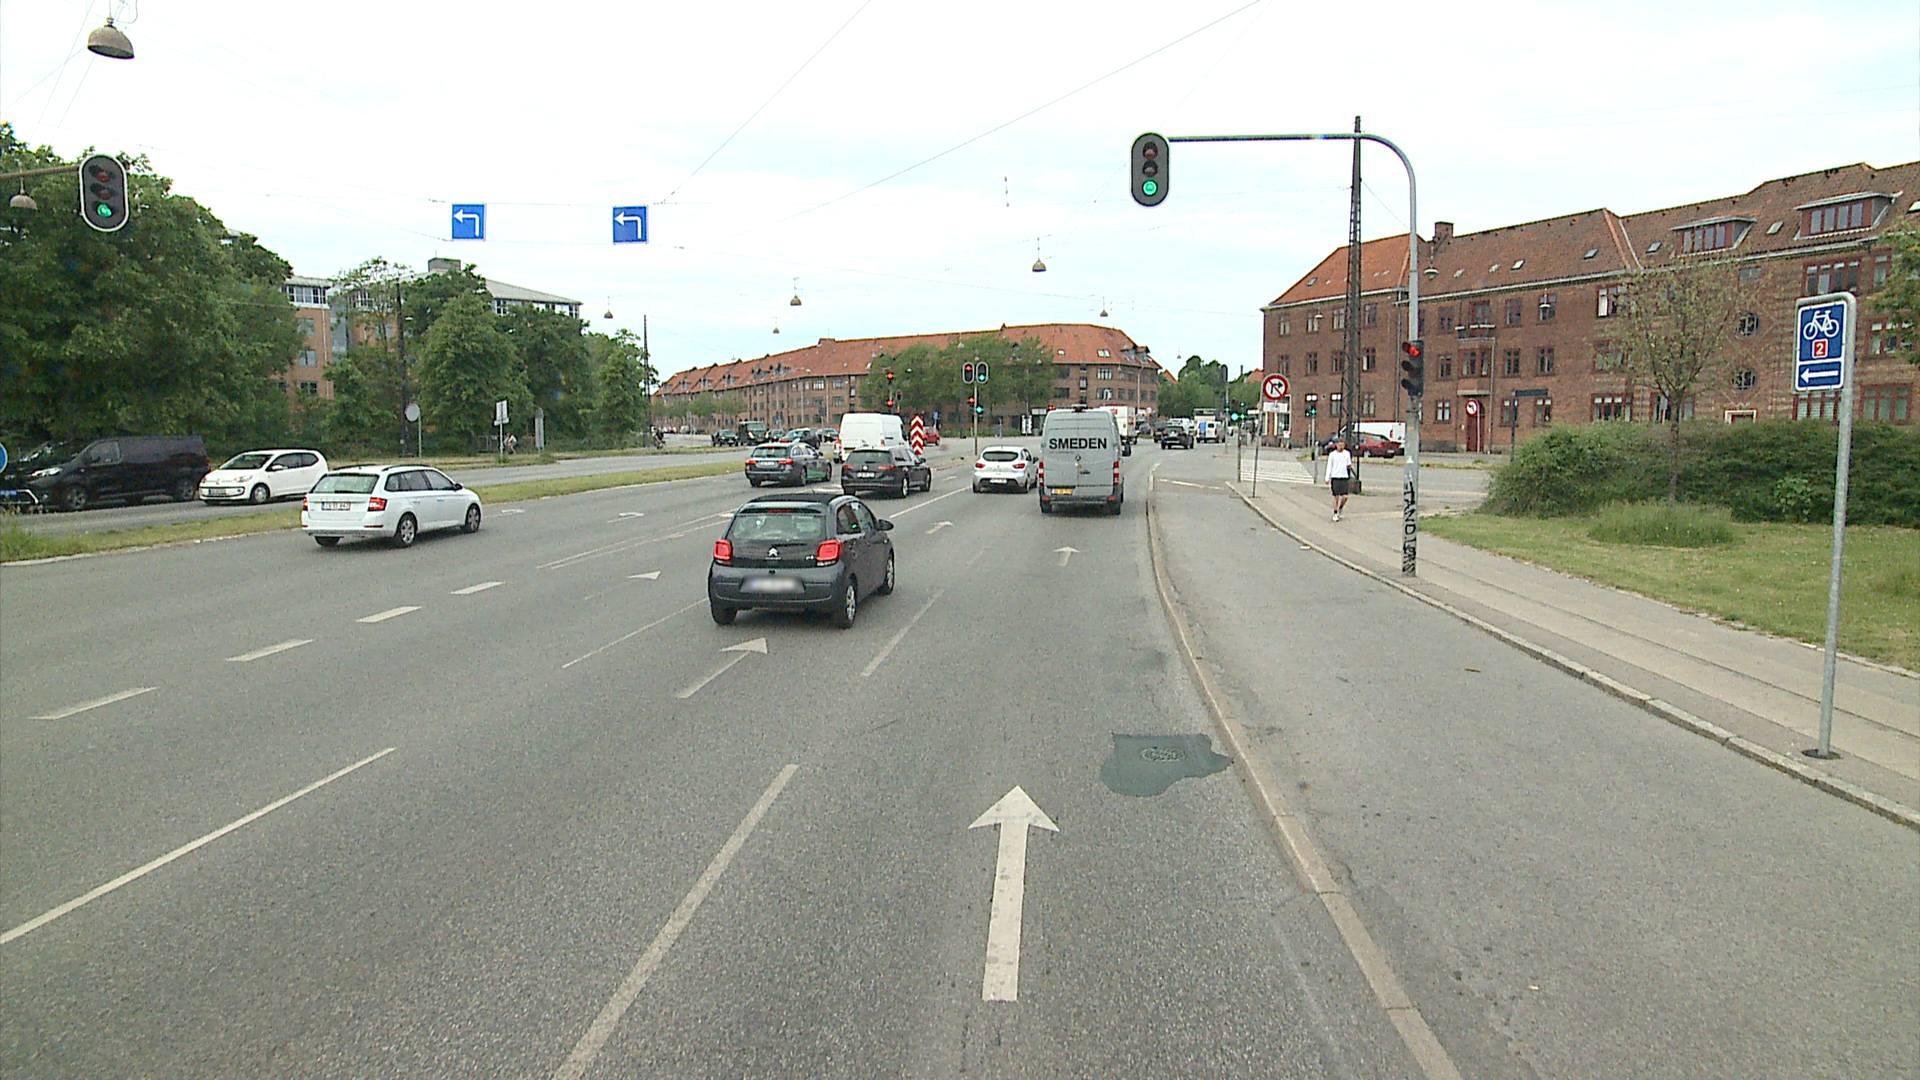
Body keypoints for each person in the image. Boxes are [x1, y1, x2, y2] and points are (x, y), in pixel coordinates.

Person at [1326, 436, 1353, 521]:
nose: (1341, 446)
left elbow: (1349, 465)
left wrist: (1349, 467)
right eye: (1339, 444)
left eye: (1342, 445)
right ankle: (1335, 512)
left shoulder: (1347, 454)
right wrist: (1327, 477)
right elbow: (1329, 466)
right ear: (1336, 445)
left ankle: (1340, 507)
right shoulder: (1332, 455)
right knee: (1336, 496)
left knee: (1345, 497)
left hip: (1344, 477)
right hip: (1335, 477)